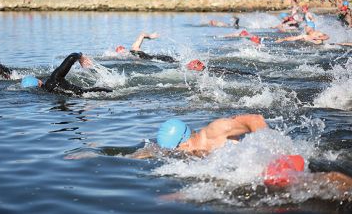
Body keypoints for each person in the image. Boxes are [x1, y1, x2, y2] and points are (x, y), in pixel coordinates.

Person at [134, 115, 352, 192]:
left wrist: (272, 149)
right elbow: (154, 151)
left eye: (176, 153)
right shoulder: (197, 150)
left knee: (327, 182)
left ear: (183, 144)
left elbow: (254, 119)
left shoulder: (215, 130)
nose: (178, 157)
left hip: (273, 162)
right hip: (257, 174)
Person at [21, 52, 112, 96]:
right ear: (39, 82)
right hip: (90, 93)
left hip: (79, 98)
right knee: (109, 89)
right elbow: (71, 57)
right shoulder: (53, 80)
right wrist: (81, 57)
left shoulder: (45, 94)